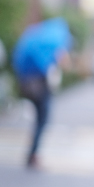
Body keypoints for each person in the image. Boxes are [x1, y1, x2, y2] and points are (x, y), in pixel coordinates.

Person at [12, 18, 72, 168]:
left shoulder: (33, 36)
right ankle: (33, 153)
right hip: (40, 86)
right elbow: (62, 61)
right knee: (42, 120)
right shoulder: (57, 39)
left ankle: (32, 152)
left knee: (38, 119)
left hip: (25, 83)